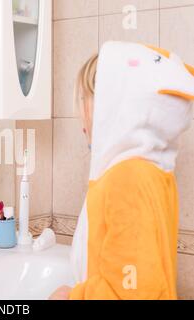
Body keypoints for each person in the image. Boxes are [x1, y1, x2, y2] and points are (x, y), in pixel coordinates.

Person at [50, 41, 194, 300]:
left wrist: (71, 296)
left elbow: (133, 292)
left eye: (86, 102)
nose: (82, 121)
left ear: (114, 106)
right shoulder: (154, 174)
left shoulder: (128, 179)